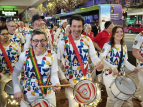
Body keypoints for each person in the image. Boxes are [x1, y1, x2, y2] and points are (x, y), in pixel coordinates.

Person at [57, 14, 104, 107]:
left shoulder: (87, 40)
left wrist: (98, 63)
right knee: (73, 104)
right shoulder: (63, 42)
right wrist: (62, 78)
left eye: (79, 26)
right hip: (70, 81)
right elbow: (56, 63)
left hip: (86, 78)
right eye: (74, 26)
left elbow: (93, 56)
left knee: (87, 103)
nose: (76, 29)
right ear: (70, 27)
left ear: (83, 27)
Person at [12, 29, 61, 107]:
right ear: (31, 42)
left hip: (47, 94)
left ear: (46, 41)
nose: (39, 44)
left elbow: (54, 74)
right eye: (36, 41)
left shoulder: (52, 54)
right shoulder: (24, 55)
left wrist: (56, 84)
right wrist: (17, 89)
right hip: (28, 94)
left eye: (42, 40)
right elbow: (15, 74)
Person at [99, 25, 139, 107]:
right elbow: (101, 58)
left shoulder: (124, 46)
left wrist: (133, 68)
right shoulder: (108, 45)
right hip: (108, 75)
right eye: (117, 32)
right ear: (113, 34)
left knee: (121, 97)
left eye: (121, 32)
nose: (120, 33)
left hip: (121, 75)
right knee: (113, 97)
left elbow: (125, 62)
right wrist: (112, 67)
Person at [0, 27, 21, 107]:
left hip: (15, 75)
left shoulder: (15, 45)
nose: (6, 36)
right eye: (3, 34)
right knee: (3, 97)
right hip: (2, 76)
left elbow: (20, 59)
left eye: (7, 34)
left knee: (16, 97)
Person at [132, 31, 143, 106]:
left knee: (141, 82)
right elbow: (134, 52)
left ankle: (137, 95)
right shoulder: (140, 37)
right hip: (141, 64)